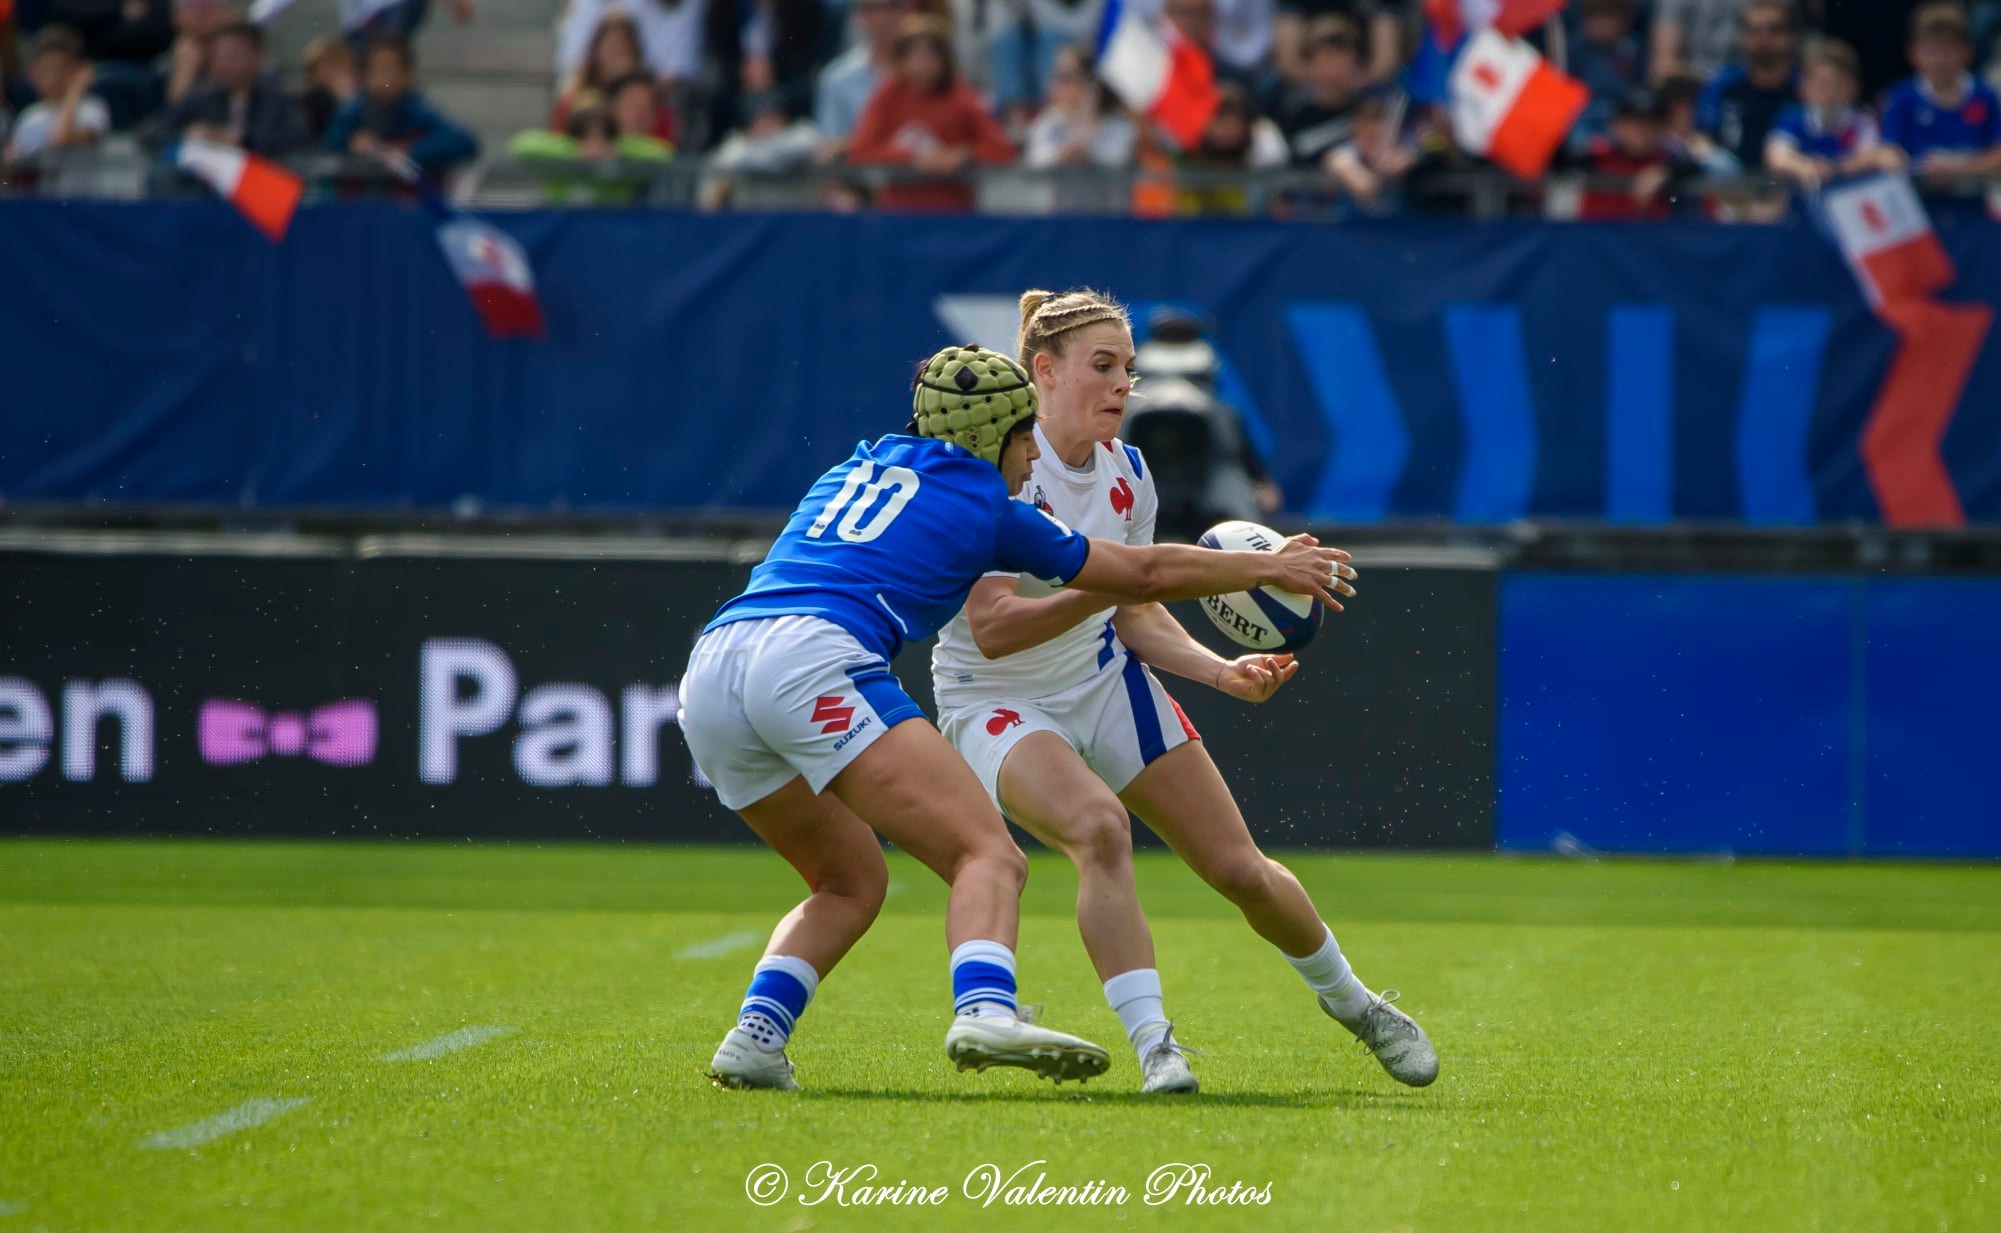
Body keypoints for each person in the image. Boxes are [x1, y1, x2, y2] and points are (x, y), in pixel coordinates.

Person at [688, 342, 1356, 1091]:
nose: (1032, 458)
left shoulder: (854, 467)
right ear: (992, 438)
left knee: (848, 881)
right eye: (1021, 440)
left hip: (714, 666)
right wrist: (1269, 565)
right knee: (989, 855)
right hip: (813, 660)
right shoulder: (985, 504)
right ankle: (986, 1009)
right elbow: (1142, 574)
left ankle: (756, 1035)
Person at [930, 290, 1436, 1096]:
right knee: (1099, 829)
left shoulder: (1129, 472)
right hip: (995, 697)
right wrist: (1112, 589)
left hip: (1102, 679)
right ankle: (1156, 1046)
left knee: (1240, 869)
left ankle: (1358, 1005)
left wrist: (1218, 669)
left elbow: (1136, 609)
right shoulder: (1000, 472)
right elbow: (994, 628)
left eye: (1126, 368)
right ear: (1044, 370)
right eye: (1102, 366)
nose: (1121, 384)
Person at [844, 15, 1015, 211]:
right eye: (914, 56)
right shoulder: (888, 95)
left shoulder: (960, 97)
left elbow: (1002, 150)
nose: (922, 65)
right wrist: (913, 157)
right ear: (900, 59)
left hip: (953, 214)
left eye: (930, 56)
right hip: (897, 214)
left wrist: (963, 154)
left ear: (944, 60)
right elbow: (861, 149)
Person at [1882, 3, 2001, 207]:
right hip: (1921, 202)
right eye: (1930, 51)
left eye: (1947, 51)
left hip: (1975, 201)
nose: (1939, 60)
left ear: (1967, 52)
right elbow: (1889, 151)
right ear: (1913, 54)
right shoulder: (1902, 97)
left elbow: (1997, 155)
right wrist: (1908, 166)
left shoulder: (1984, 95)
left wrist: (1955, 170)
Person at [140, 19, 307, 159]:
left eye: (232, 56)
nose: (223, 64)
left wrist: (243, 141)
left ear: (258, 57)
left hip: (263, 181)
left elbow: (299, 140)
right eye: (218, 57)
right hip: (202, 182)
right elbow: (151, 132)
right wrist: (188, 135)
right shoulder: (199, 99)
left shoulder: (278, 101)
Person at [325, 35, 479, 177]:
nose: (383, 77)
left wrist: (410, 150)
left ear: (407, 75)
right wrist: (351, 143)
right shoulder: (356, 108)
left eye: (390, 69)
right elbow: (331, 140)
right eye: (376, 69)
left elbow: (464, 142)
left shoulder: (417, 109)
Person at [1764, 38, 1899, 192]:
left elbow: (1876, 155)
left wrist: (1835, 169)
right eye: (1822, 84)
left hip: (1849, 194)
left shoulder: (1863, 120)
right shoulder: (1792, 117)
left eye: (1837, 85)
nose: (1829, 92)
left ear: (1854, 87)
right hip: (1802, 195)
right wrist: (1805, 167)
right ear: (1804, 86)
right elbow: (1777, 157)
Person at [1694, 0, 1799, 173]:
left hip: (1791, 183)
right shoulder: (1722, 84)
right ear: (1742, 37)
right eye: (1754, 30)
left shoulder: (1806, 87)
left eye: (1774, 29)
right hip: (1731, 184)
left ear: (1792, 36)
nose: (1763, 39)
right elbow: (1700, 138)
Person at [1022, 45, 1135, 170]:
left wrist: (1088, 146)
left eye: (1065, 78)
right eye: (1056, 76)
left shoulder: (1119, 127)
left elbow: (1116, 162)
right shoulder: (1049, 124)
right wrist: (1064, 153)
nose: (1054, 84)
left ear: (1090, 85)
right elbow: (1036, 162)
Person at [3, 24, 104, 162]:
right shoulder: (29, 116)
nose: (51, 76)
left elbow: (60, 140)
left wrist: (75, 90)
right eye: (45, 68)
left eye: (58, 68)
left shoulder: (92, 109)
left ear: (75, 69)